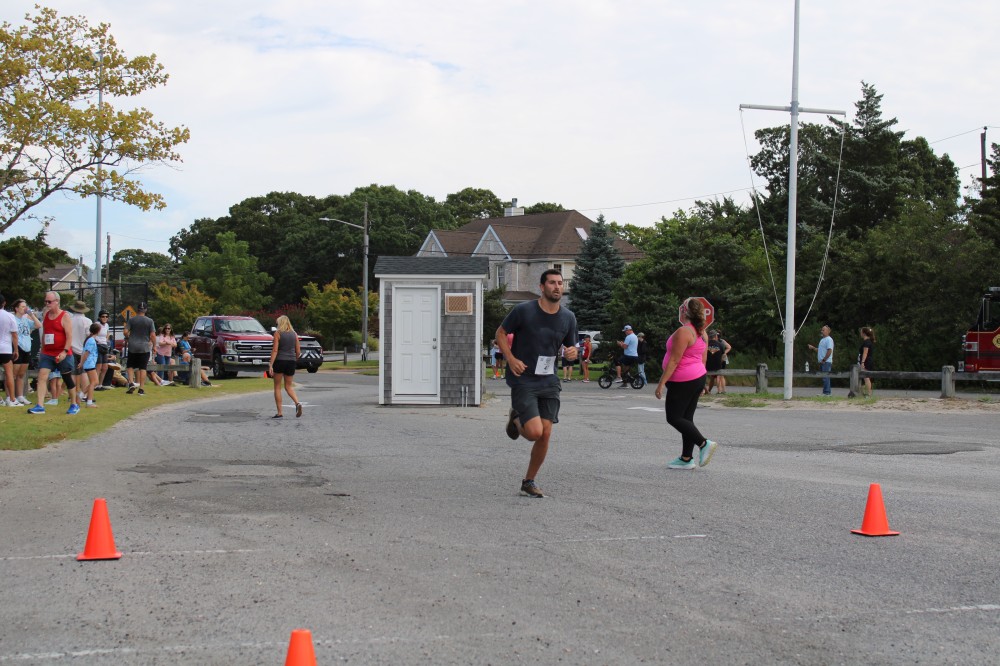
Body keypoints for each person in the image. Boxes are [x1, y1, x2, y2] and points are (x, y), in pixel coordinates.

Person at [497, 269, 577, 498]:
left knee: (545, 433)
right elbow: (500, 333)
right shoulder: (524, 310)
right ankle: (516, 417)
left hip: (549, 380)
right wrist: (511, 359)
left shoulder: (568, 317)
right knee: (534, 433)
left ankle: (529, 481)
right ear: (542, 287)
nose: (557, 287)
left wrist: (572, 353)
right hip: (524, 378)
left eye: (560, 283)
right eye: (552, 283)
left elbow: (571, 348)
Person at [654, 297, 717, 470]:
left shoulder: (684, 332)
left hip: (683, 380)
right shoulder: (701, 332)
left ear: (685, 311)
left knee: (673, 417)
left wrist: (661, 383)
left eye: (682, 307)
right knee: (686, 419)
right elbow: (703, 359)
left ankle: (704, 443)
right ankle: (686, 458)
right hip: (697, 377)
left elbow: (674, 360)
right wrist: (702, 383)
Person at [27, 291, 81, 415]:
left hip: (62, 353)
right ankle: (40, 405)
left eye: (49, 302)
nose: (47, 304)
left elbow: (69, 336)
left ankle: (74, 404)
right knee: (42, 376)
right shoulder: (46, 314)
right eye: (45, 301)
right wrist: (42, 349)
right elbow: (45, 333)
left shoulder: (64, 316)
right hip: (47, 353)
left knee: (67, 378)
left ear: (57, 302)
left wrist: (64, 352)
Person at [268, 315, 303, 418]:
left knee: (277, 387)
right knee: (288, 386)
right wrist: (295, 359)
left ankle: (280, 412)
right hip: (291, 361)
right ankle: (297, 403)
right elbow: (298, 351)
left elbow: (275, 350)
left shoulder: (278, 333)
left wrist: (271, 364)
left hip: (280, 361)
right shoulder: (294, 334)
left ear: (280, 323)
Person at [11, 299, 41, 405]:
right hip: (18, 347)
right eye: (22, 307)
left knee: (21, 374)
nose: (25, 308)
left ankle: (20, 396)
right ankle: (11, 397)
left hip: (27, 347)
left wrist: (31, 315)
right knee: (13, 374)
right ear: (16, 308)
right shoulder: (13, 319)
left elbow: (38, 325)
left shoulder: (26, 320)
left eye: (25, 306)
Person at [124, 304, 156, 395]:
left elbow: (125, 331)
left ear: (137, 310)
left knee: (130, 366)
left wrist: (128, 337)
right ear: (145, 310)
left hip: (133, 346)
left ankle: (131, 383)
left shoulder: (131, 320)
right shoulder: (150, 321)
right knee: (143, 368)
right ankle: (141, 389)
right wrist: (154, 346)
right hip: (144, 347)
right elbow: (153, 335)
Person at [68, 300, 92, 404]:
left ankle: (72, 395)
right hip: (83, 349)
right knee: (83, 372)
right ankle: (84, 395)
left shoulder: (69, 320)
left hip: (71, 348)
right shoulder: (87, 321)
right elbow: (89, 335)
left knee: (73, 373)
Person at [0, 293, 18, 407]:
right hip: (6, 348)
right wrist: (16, 350)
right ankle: (11, 399)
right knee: (9, 374)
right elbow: (14, 334)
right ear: (4, 303)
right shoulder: (9, 316)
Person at [808, 325, 835, 396]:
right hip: (822, 361)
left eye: (823, 330)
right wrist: (813, 348)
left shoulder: (829, 339)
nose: (822, 331)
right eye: (822, 330)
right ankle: (825, 392)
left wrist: (824, 359)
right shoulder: (822, 340)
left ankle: (827, 393)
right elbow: (820, 350)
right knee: (824, 377)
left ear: (828, 331)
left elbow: (829, 350)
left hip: (826, 362)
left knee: (826, 377)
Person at [705, 330, 733, 394]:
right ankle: (721, 390)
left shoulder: (705, 344)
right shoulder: (720, 344)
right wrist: (721, 362)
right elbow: (723, 355)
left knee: (712, 377)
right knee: (720, 375)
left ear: (708, 337)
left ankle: (707, 391)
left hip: (707, 366)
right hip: (717, 366)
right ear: (716, 336)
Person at [80, 322, 101, 407]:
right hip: (89, 363)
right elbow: (86, 353)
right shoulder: (91, 340)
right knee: (94, 382)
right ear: (98, 331)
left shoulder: (90, 339)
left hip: (89, 363)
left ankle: (81, 395)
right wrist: (81, 363)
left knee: (95, 382)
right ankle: (89, 401)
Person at [94, 310, 111, 390]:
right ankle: (95, 384)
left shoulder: (106, 325)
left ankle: (100, 384)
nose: (105, 318)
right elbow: (93, 334)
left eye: (106, 317)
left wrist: (106, 340)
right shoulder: (97, 324)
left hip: (104, 346)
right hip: (98, 346)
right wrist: (97, 341)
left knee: (105, 367)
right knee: (98, 367)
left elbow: (107, 333)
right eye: (103, 316)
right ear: (99, 317)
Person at [858, 326, 875, 398]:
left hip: (866, 361)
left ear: (864, 333)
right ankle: (863, 394)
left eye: (861, 332)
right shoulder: (867, 341)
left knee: (866, 377)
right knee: (863, 378)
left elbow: (865, 352)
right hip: (866, 360)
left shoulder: (867, 342)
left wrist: (862, 362)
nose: (860, 334)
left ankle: (869, 394)